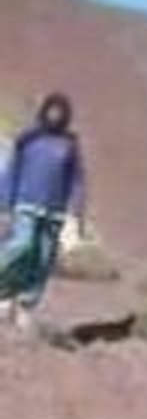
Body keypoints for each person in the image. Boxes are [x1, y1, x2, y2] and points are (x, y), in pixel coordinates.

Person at [0, 93, 87, 331]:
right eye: (52, 110)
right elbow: (11, 172)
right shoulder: (28, 140)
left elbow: (77, 181)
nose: (55, 116)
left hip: (53, 212)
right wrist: (5, 206)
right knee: (22, 245)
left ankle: (25, 306)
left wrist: (76, 212)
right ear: (44, 111)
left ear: (65, 116)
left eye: (60, 112)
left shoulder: (70, 145)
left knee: (42, 259)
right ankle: (3, 289)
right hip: (26, 204)